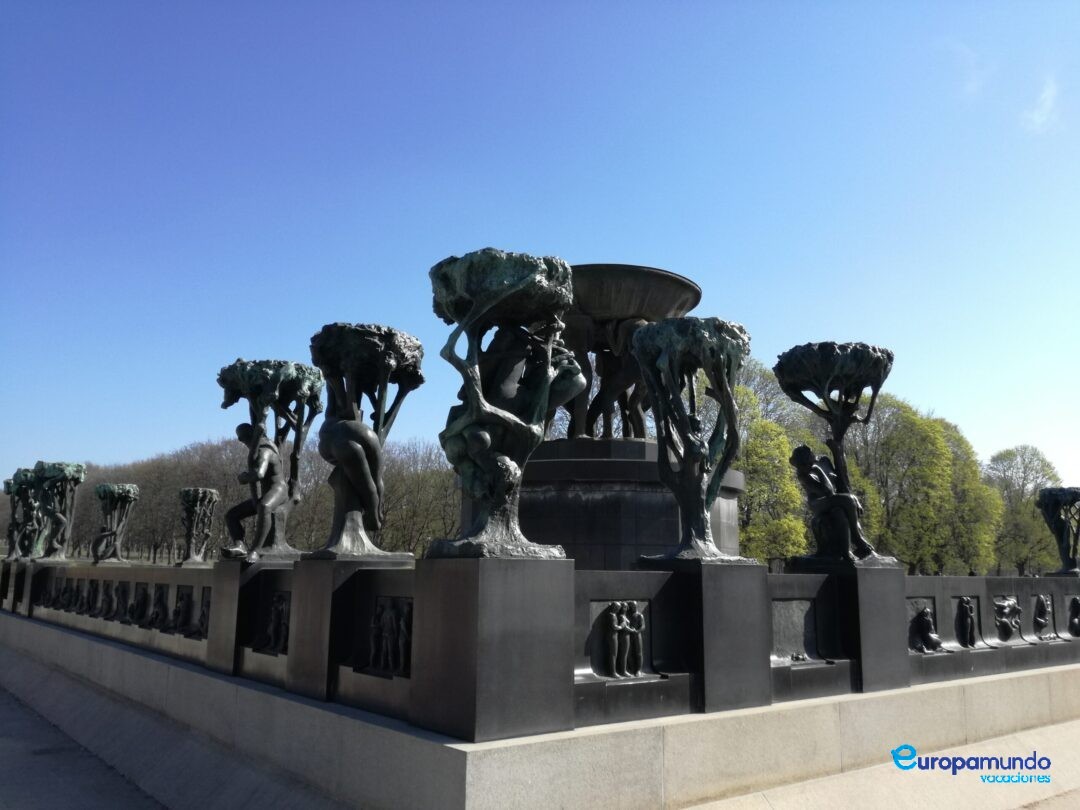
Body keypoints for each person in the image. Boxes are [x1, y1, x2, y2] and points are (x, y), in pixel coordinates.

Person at [789, 445, 875, 559]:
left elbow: (840, 482)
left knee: (840, 511)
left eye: (806, 463)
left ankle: (846, 551)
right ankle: (857, 538)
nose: (805, 467)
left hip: (830, 501)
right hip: (817, 504)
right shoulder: (803, 475)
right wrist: (818, 470)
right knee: (848, 500)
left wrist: (855, 499)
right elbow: (829, 491)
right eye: (802, 465)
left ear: (811, 458)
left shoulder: (824, 461)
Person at [221, 423, 288, 560]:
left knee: (264, 506)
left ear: (251, 435)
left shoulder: (265, 451)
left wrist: (244, 477)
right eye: (240, 438)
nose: (241, 441)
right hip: (266, 493)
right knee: (231, 515)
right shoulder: (256, 451)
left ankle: (256, 550)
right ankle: (239, 545)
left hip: (278, 490)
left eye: (243, 438)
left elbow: (259, 474)